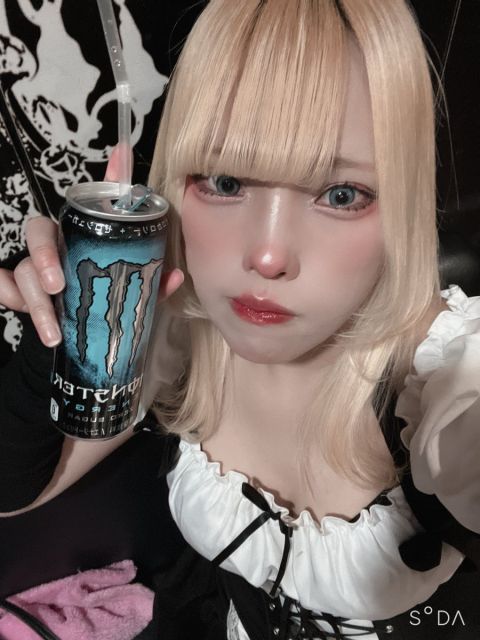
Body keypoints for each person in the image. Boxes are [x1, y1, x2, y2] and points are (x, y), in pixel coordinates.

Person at [0, 1, 479, 639]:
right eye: (225, 182)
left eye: (341, 195)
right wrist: (62, 331)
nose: (268, 255)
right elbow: (17, 494)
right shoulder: (185, 338)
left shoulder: (447, 386)